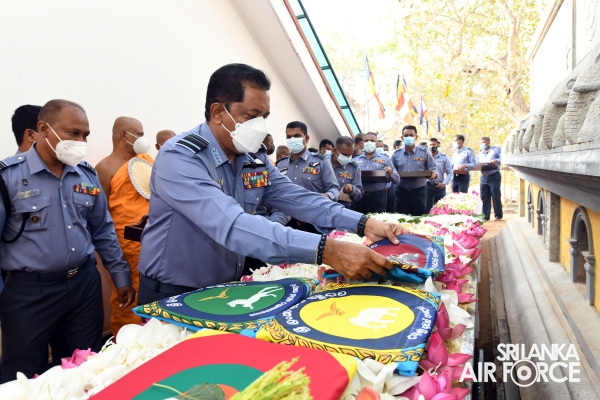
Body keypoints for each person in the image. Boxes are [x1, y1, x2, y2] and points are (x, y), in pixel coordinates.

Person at [137, 63, 405, 304]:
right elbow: (232, 226)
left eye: (264, 116)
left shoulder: (252, 157)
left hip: (227, 287)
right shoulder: (180, 157)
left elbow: (297, 198)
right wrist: (327, 250)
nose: (262, 127)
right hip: (173, 291)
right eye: (252, 116)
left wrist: (363, 223)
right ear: (218, 112)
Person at [0, 99, 135, 383]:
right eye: (73, 133)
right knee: (23, 373)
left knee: (86, 366)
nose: (81, 141)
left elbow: (103, 229)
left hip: (83, 286)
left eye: (85, 135)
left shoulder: (85, 174)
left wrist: (120, 275)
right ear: (43, 129)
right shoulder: (9, 177)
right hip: (29, 293)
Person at [95, 117, 153, 336]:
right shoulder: (105, 167)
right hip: (125, 246)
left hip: (154, 240)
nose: (142, 139)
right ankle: (126, 341)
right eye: (138, 134)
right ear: (122, 135)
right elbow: (100, 213)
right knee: (127, 295)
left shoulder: (145, 160)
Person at [276, 121, 339, 233]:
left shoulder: (321, 162)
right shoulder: (281, 164)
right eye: (289, 137)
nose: (292, 139)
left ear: (307, 138)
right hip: (286, 224)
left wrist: (327, 196)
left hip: (313, 223)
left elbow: (334, 189)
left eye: (297, 136)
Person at [391, 126, 437, 216]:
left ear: (416, 137)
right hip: (401, 192)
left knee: (419, 218)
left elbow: (433, 168)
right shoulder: (395, 154)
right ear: (402, 137)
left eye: (411, 135)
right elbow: (391, 171)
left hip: (419, 192)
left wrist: (433, 173)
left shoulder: (424, 152)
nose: (409, 137)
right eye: (406, 135)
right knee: (402, 219)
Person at [353, 132, 399, 214]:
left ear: (376, 143)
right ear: (363, 143)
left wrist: (390, 172)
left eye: (372, 140)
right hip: (360, 198)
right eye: (367, 140)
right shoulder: (355, 160)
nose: (369, 142)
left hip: (378, 197)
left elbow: (397, 179)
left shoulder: (385, 159)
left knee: (378, 223)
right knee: (360, 224)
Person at [330, 136, 363, 209]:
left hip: (342, 208)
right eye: (344, 154)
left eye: (350, 155)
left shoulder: (354, 168)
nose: (347, 158)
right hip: (322, 206)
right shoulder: (323, 163)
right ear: (335, 150)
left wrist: (352, 189)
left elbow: (359, 194)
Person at [478, 136, 503, 220]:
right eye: (481, 143)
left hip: (494, 175)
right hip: (484, 176)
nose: (482, 145)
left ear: (488, 143)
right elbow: (476, 162)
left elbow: (502, 157)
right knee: (484, 197)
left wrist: (496, 160)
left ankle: (498, 215)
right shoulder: (480, 153)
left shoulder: (495, 150)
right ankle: (485, 216)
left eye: (483, 143)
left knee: (495, 196)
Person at [426, 138, 452, 212]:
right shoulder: (425, 157)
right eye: (430, 145)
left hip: (439, 187)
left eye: (434, 144)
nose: (432, 146)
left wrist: (444, 183)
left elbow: (449, 172)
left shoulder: (444, 157)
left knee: (441, 209)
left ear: (438, 145)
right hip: (427, 186)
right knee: (427, 209)